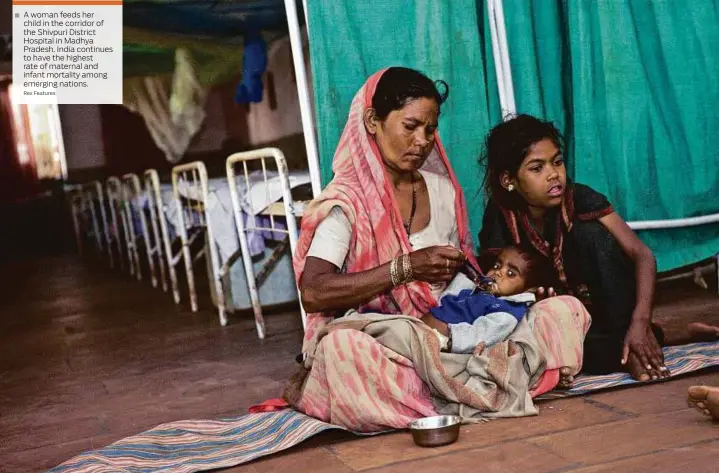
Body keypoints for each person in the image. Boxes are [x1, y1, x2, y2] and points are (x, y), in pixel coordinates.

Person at [290, 69, 589, 431]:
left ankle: (436, 395)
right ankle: (478, 390)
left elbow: (466, 280)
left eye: (430, 130)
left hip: (454, 335)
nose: (422, 141)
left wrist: (509, 294)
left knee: (562, 311)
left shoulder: (443, 191)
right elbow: (314, 291)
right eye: (410, 126)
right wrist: (405, 269)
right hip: (392, 344)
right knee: (345, 351)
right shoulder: (347, 203)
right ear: (372, 121)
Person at [477, 114, 719, 381]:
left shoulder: (579, 197)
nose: (553, 174)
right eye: (537, 168)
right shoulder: (501, 217)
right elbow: (493, 284)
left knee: (592, 234)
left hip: (608, 309)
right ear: (508, 180)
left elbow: (642, 255)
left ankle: (637, 339)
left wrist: (638, 322)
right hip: (562, 323)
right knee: (551, 353)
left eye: (557, 162)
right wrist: (532, 299)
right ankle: (648, 342)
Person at [421, 245, 555, 354]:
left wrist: (445, 342)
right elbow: (446, 299)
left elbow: (479, 336)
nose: (498, 272)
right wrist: (465, 281)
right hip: (420, 330)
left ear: (528, 290)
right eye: (497, 265)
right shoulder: (479, 291)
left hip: (437, 346)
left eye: (510, 273)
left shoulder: (506, 312)